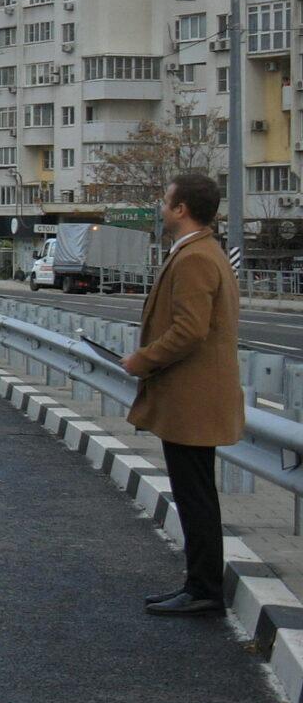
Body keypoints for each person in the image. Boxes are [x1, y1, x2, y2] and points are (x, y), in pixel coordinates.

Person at [127, 171, 246, 617]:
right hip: (195, 397)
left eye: (166, 201)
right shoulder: (202, 251)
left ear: (181, 209)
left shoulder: (195, 257)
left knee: (195, 497)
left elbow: (190, 330)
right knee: (196, 494)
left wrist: (142, 360)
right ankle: (199, 584)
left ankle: (203, 589)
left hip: (193, 400)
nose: (161, 207)